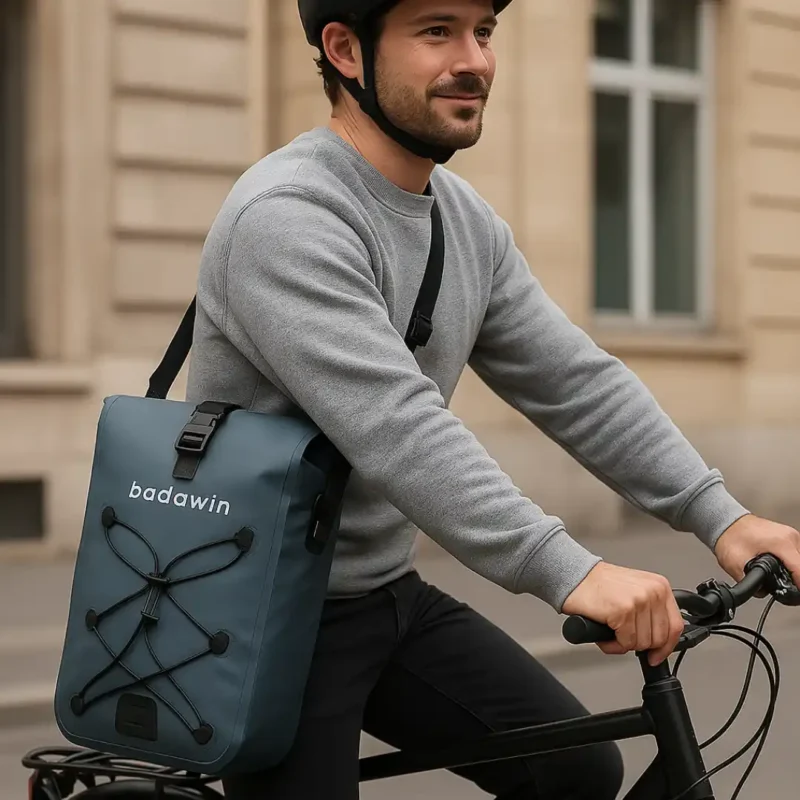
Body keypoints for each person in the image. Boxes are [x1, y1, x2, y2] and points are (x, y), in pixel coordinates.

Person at [185, 0, 800, 797]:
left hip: (382, 594)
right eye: (437, 31)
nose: (474, 59)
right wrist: (571, 571)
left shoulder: (462, 221)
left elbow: (578, 384)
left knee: (573, 770)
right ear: (345, 49)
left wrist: (722, 514)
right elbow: (399, 429)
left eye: (484, 31)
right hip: (266, 618)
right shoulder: (288, 218)